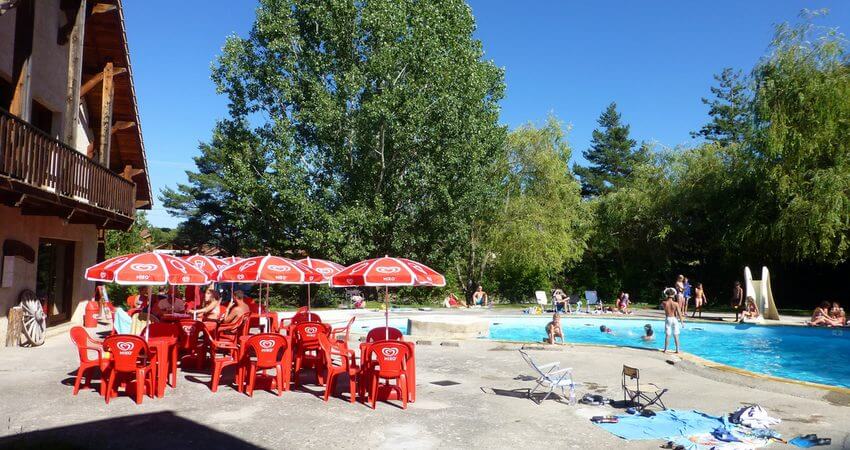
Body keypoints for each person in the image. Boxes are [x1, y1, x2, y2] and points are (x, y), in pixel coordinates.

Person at [662, 287, 683, 354]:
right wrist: (682, 322)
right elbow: (679, 313)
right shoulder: (676, 304)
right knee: (676, 335)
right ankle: (677, 350)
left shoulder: (664, 303)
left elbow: (664, 295)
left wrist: (665, 292)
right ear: (674, 295)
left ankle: (665, 350)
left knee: (668, 335)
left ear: (667, 294)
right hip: (674, 319)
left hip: (668, 318)